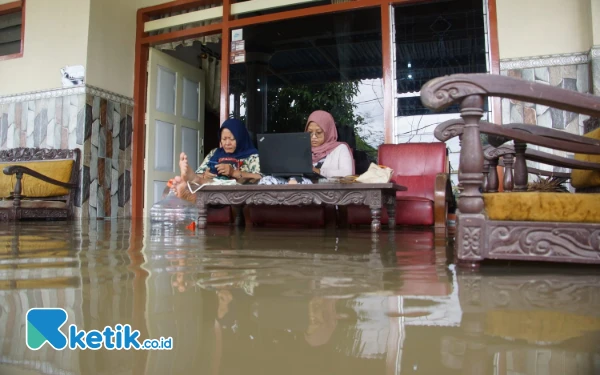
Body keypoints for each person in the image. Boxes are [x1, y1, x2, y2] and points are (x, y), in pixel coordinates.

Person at [172, 118, 262, 200]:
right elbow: (200, 173)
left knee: (209, 185)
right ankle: (194, 182)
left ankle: (194, 186)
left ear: (240, 138)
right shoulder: (215, 153)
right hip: (211, 189)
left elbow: (261, 178)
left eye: (231, 139)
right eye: (223, 139)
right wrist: (204, 175)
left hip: (237, 194)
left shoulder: (252, 156)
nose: (227, 143)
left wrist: (233, 172)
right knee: (202, 182)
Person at [259, 110, 355, 185]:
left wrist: (318, 171)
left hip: (323, 189)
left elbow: (347, 174)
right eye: (309, 133)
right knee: (266, 181)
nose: (313, 137)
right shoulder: (301, 148)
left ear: (328, 131)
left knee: (296, 182)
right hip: (292, 182)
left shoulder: (340, 149)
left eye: (318, 133)